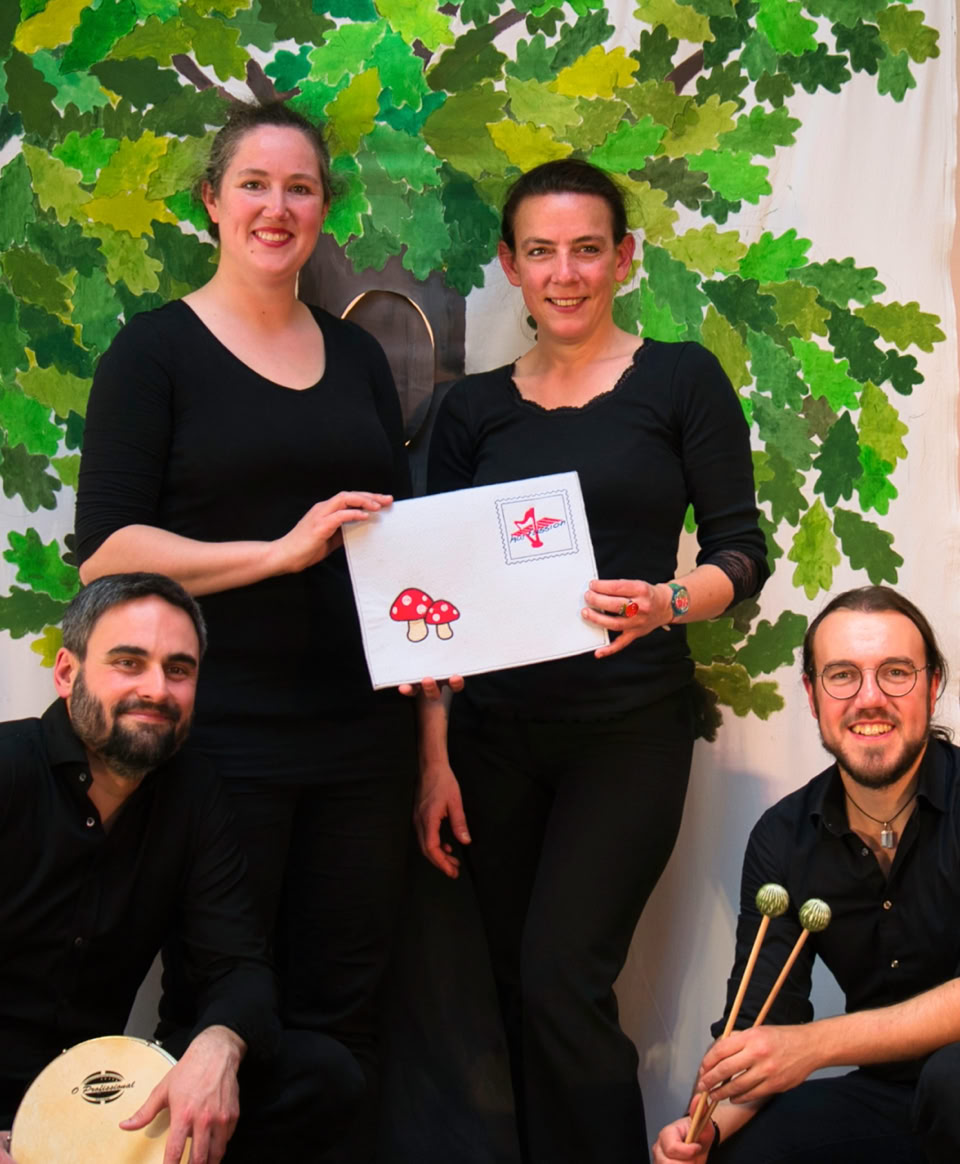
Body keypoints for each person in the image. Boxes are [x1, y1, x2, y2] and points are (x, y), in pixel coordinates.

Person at [74, 101, 416, 1160]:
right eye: (254, 185)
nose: (277, 207)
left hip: (363, 738)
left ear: (324, 208)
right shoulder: (153, 352)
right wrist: (276, 554)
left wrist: (434, 713)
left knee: (345, 1017)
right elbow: (105, 554)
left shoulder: (359, 357)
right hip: (225, 738)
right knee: (218, 1015)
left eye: (300, 187)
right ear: (211, 203)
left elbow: (403, 548)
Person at [416, 158, 769, 1164]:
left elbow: (741, 553)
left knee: (560, 979)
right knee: (498, 989)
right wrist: (434, 757)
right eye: (541, 252)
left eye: (585, 249)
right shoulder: (471, 412)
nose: (563, 273)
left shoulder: (681, 379)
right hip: (491, 743)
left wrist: (666, 604)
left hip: (630, 730)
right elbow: (439, 600)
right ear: (509, 265)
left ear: (624, 258)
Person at [0, 574, 363, 1164]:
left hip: (99, 1107)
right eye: (128, 662)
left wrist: (219, 1045)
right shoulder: (9, 769)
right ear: (67, 673)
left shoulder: (192, 792)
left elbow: (238, 967)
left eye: (178, 669)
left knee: (321, 1075)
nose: (156, 689)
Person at [653, 585, 960, 1164]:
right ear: (812, 696)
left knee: (952, 1082)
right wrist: (705, 1129)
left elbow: (799, 1045)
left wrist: (814, 1046)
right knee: (744, 1151)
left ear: (933, 684)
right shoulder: (783, 837)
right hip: (889, 1097)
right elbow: (760, 1022)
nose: (870, 698)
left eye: (896, 673)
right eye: (842, 676)